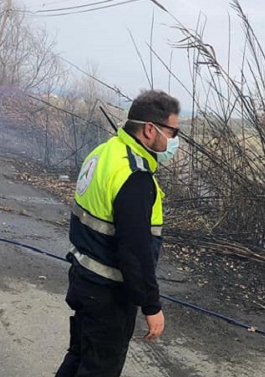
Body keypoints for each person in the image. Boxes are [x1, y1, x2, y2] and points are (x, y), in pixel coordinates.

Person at [55, 90, 181, 377]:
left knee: (79, 356)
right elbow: (135, 251)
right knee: (99, 368)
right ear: (150, 129)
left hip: (83, 280)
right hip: (109, 295)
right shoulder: (135, 177)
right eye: (173, 131)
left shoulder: (104, 152)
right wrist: (151, 305)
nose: (174, 140)